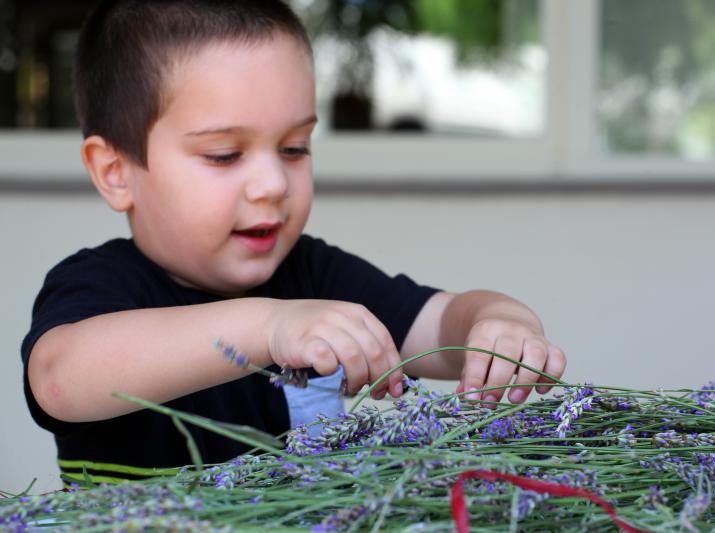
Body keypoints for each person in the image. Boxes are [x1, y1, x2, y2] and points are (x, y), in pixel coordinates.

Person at [21, 0, 566, 484]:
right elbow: (60, 381)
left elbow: (441, 322)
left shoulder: (314, 277)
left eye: (295, 147)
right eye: (224, 155)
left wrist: (499, 322)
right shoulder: (101, 284)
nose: (274, 184)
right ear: (115, 171)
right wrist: (268, 328)